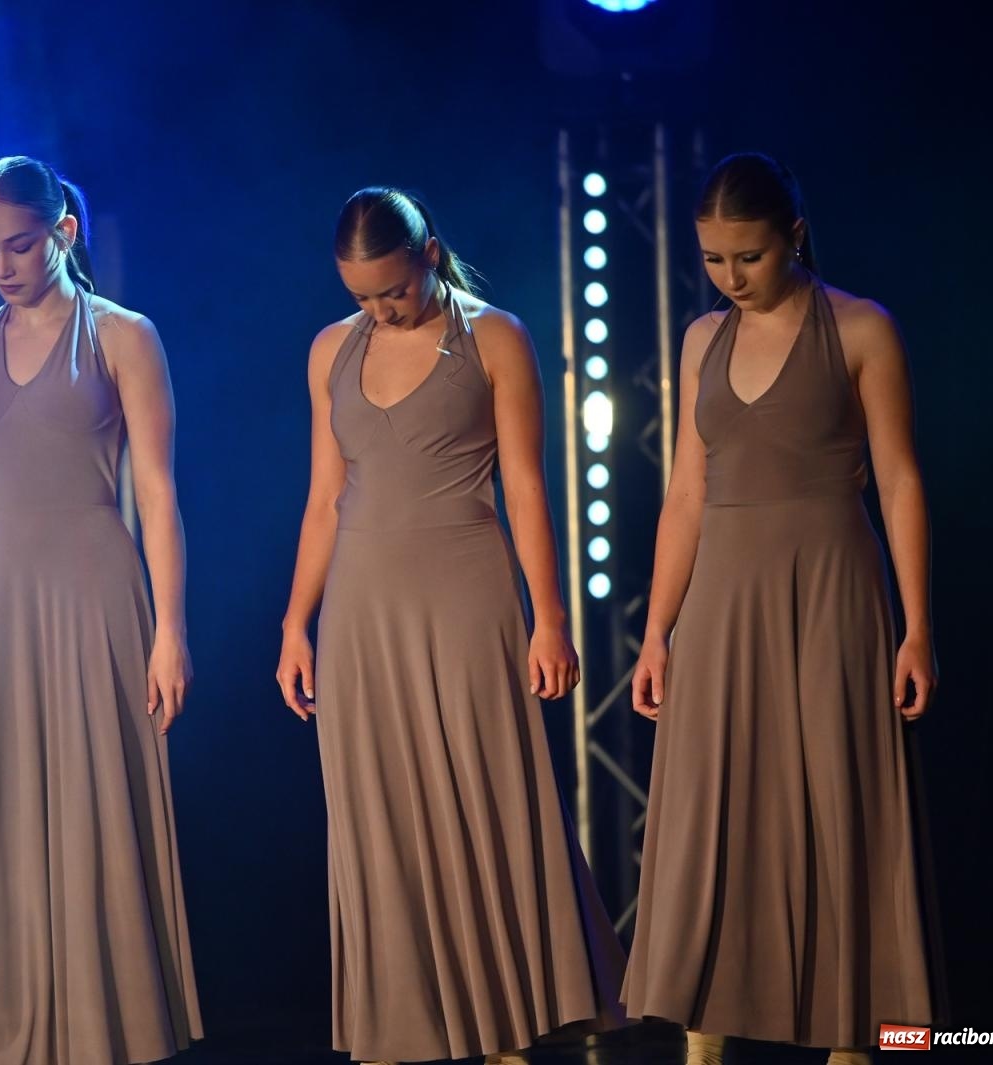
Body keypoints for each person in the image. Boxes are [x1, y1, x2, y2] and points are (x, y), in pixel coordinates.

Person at [275, 187, 626, 1065]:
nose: (378, 308)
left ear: (429, 253)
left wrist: (549, 617)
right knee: (382, 815)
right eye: (361, 295)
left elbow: (527, 487)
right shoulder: (330, 350)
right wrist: (294, 622)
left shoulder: (493, 336)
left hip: (468, 590)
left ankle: (507, 1025)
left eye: (390, 289)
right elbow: (325, 497)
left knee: (486, 799)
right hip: (363, 604)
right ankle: (410, 1029)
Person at [623, 153, 941, 1065]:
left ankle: (857, 1030)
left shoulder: (860, 328)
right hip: (722, 592)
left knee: (839, 794)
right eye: (715, 260)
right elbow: (686, 493)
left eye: (749, 257)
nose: (730, 277)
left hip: (829, 582)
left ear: (793, 236)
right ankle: (706, 1026)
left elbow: (900, 478)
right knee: (718, 802)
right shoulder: (699, 341)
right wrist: (657, 630)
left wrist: (917, 626)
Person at [0, 155, 203, 1065]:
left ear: (63, 232)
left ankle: (100, 1031)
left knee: (93, 810)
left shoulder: (122, 336)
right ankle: (7, 1032)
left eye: (18, 245)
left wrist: (171, 632)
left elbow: (157, 494)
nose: (2, 266)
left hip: (91, 588)